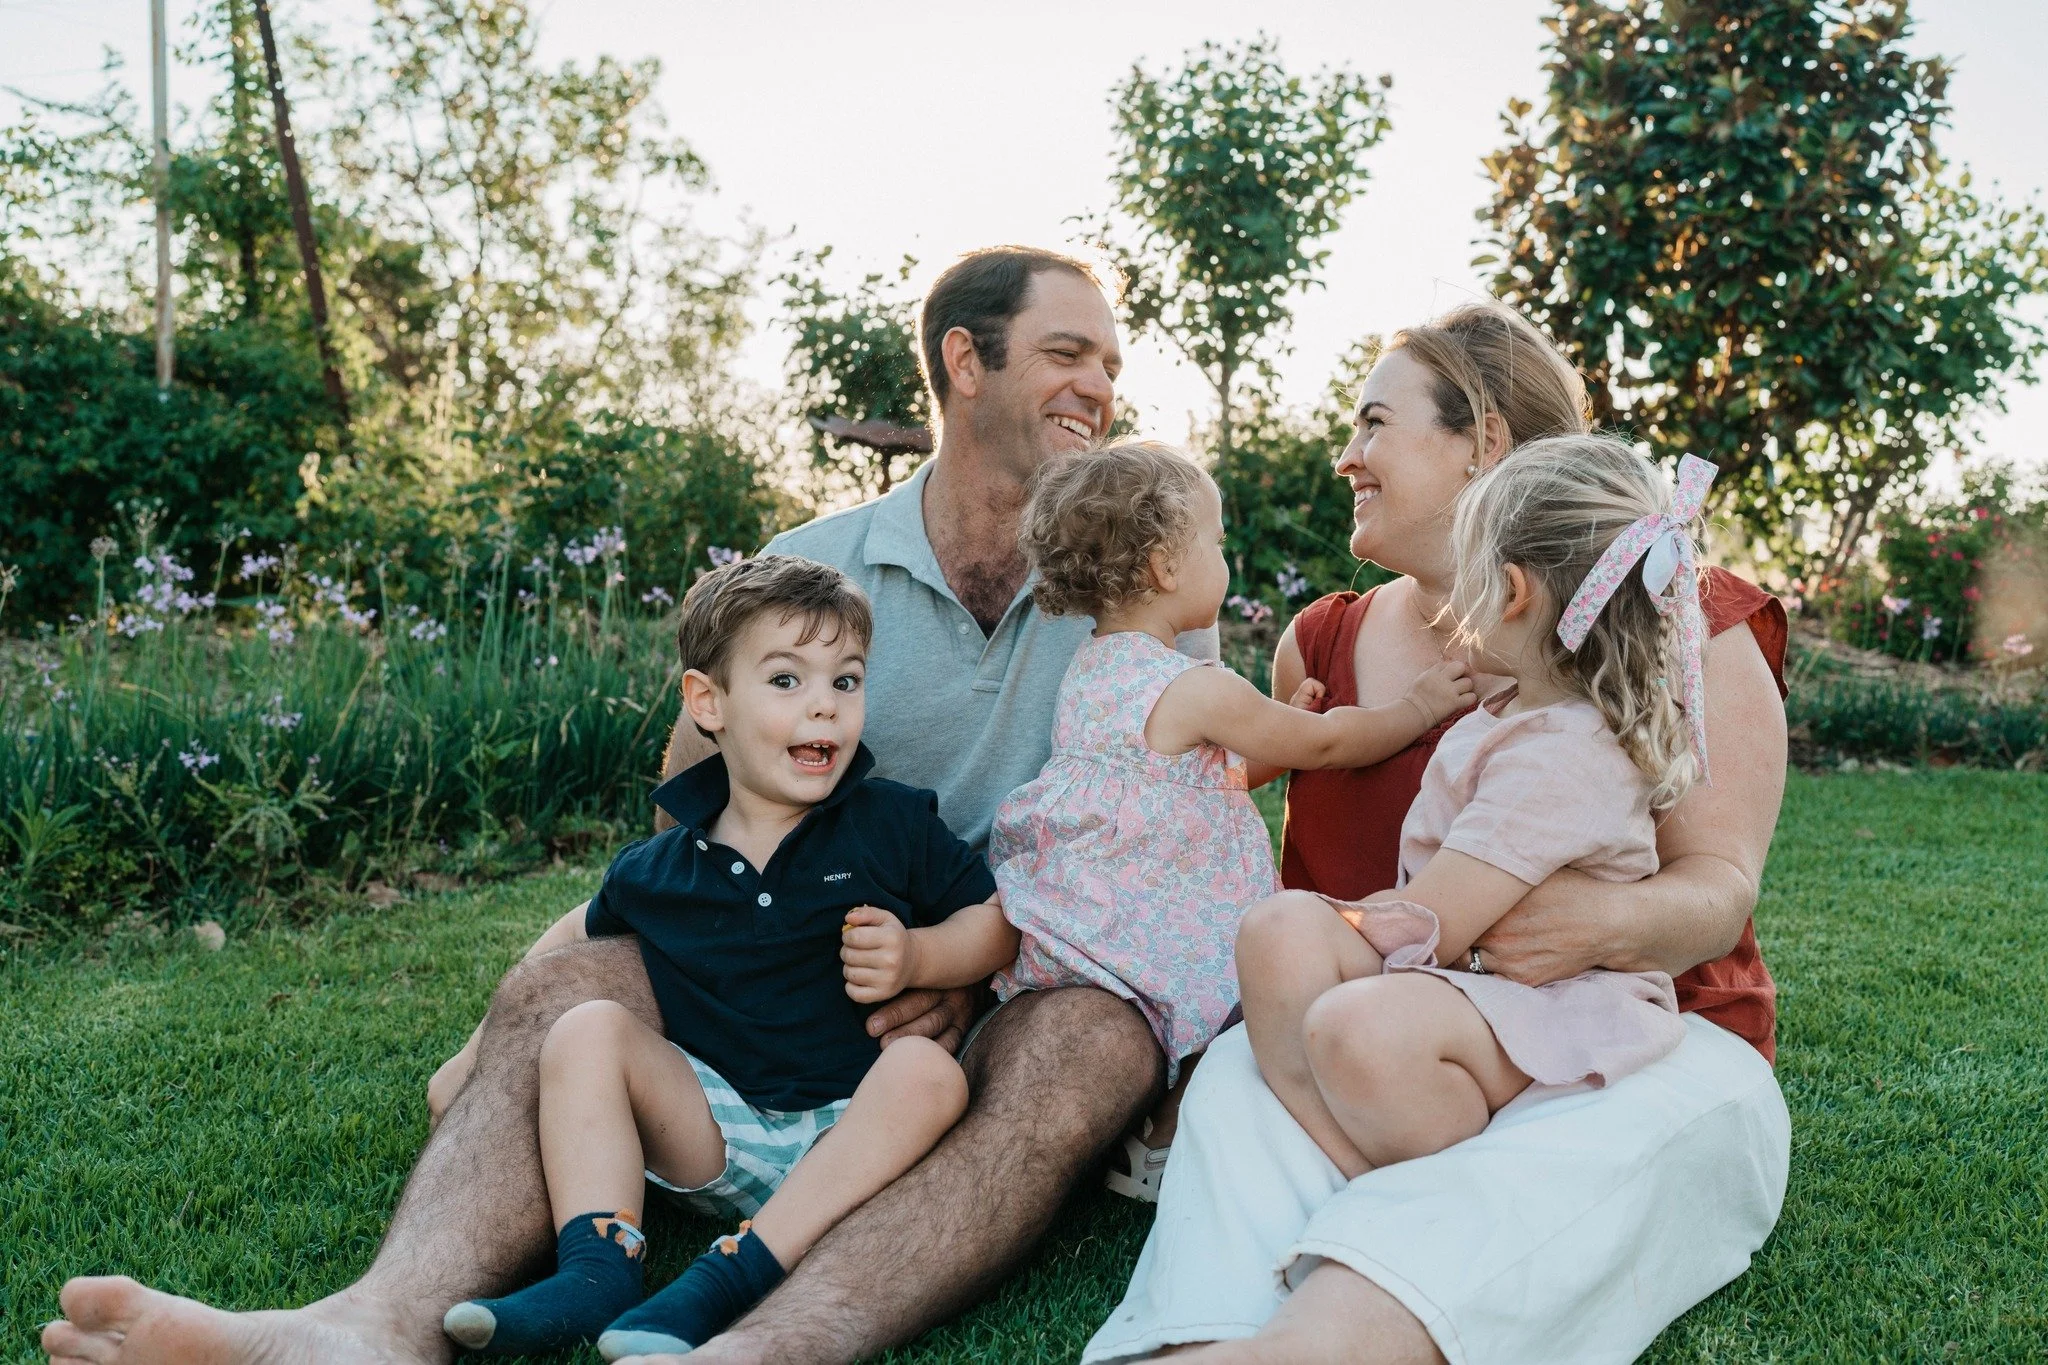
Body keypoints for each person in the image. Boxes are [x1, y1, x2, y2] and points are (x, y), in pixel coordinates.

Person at [40, 245, 1198, 1365]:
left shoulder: (1147, 584)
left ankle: (756, 1349)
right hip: (809, 956)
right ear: (963, 362)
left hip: (1033, 967)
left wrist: (954, 964)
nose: (1097, 387)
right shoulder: (811, 568)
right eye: (1066, 354)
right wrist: (509, 1019)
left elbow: (1185, 831)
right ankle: (369, 1329)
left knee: (1094, 1044)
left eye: (1107, 363)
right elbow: (689, 826)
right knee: (567, 986)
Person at [1085, 303, 1791, 1365]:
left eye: (1374, 422)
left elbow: (1719, 889)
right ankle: (1192, 1336)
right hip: (1391, 1036)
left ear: (1483, 440)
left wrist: (1591, 922)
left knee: (1530, 1164)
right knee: (1244, 1076)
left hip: (1625, 1047)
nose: (1345, 455)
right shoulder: (1318, 642)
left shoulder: (1667, 607)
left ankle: (1311, 1347)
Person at [435, 555, 1018, 1359]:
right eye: (786, 680)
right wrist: (472, 1053)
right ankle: (596, 1270)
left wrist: (920, 955)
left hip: (861, 1126)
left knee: (928, 1071)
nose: (825, 703)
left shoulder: (889, 822)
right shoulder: (661, 868)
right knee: (585, 1028)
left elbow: (996, 921)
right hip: (723, 1128)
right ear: (709, 701)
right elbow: (571, 936)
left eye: (846, 680)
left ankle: (730, 1274)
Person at [989, 441, 1475, 1195]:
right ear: (1165, 566)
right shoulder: (1196, 688)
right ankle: (1165, 1144)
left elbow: (1215, 773)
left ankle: (1148, 1135)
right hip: (1181, 905)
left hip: (1121, 905)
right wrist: (1415, 708)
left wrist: (1279, 720)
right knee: (1233, 1001)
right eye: (1215, 544)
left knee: (1194, 1017)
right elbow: (1325, 745)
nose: (1225, 560)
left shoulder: (1089, 670)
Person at [1238, 438, 1719, 1182]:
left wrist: (1339, 925)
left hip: (1547, 1002)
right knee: (1276, 932)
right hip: (1473, 984)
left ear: (1512, 592)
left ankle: (1423, 1177)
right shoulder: (1516, 709)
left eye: (1463, 570)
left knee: (1357, 1025)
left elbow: (1436, 923)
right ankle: (1337, 1150)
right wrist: (1310, 929)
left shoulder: (1562, 754)